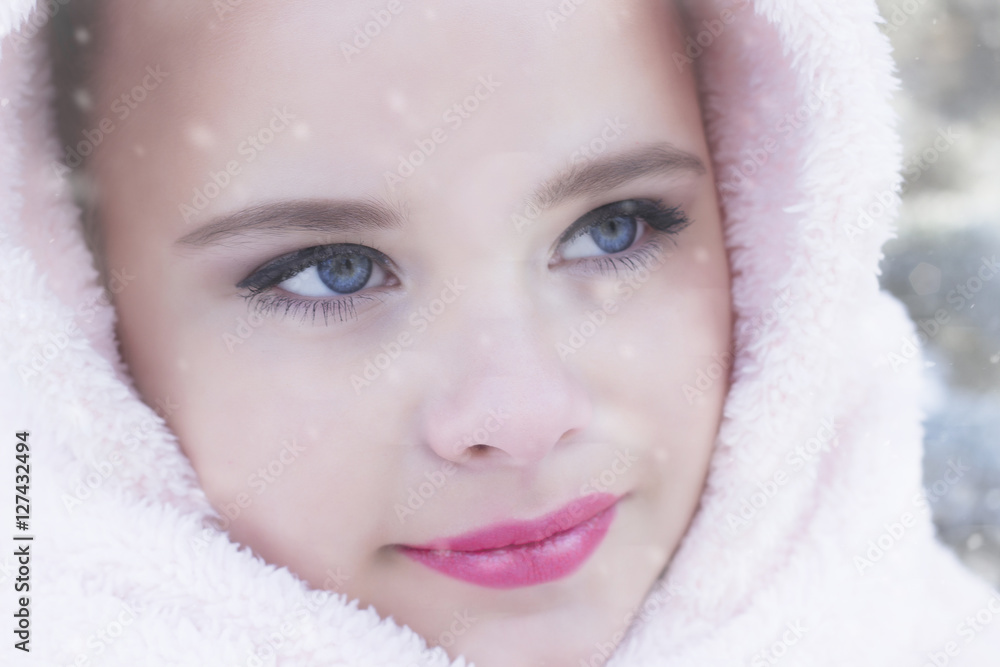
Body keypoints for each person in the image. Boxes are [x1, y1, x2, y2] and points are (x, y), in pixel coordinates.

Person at [0, 0, 996, 665]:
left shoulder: (906, 616)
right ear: (73, 314)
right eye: (329, 269)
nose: (518, 415)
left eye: (614, 228)